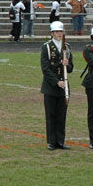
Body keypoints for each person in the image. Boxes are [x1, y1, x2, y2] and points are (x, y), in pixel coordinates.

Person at [40, 21, 74, 150]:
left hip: (64, 87)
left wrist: (67, 64)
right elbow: (45, 68)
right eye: (57, 32)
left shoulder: (67, 47)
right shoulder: (47, 47)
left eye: (61, 31)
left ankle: (61, 141)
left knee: (61, 115)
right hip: (51, 87)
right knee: (51, 115)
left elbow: (71, 69)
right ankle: (51, 142)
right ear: (52, 33)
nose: (59, 34)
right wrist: (56, 82)